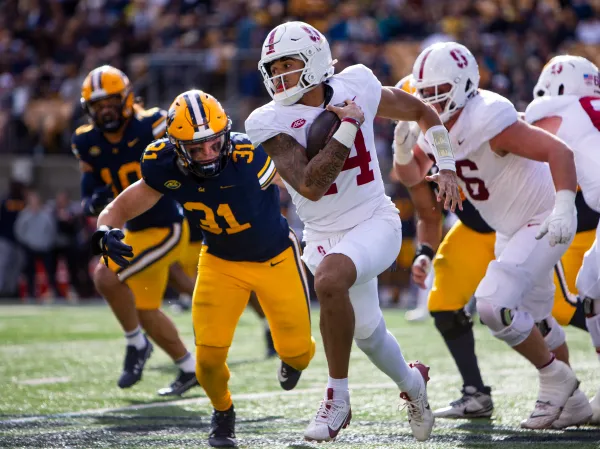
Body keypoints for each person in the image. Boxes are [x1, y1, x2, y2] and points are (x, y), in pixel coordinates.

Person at [245, 21, 462, 443]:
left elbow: (421, 110)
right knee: (367, 333)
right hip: (321, 232)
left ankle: (336, 399)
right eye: (272, 67)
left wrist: (447, 164)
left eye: (287, 65)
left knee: (329, 280)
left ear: (314, 62)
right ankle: (414, 385)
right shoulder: (266, 120)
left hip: (373, 220)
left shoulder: (357, 82)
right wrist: (346, 127)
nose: (277, 76)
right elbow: (311, 184)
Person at [94, 89, 315, 448]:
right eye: (196, 148)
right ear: (177, 147)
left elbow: (303, 185)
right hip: (220, 261)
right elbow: (120, 206)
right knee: (208, 360)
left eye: (214, 144)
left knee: (299, 353)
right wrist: (104, 231)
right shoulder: (162, 163)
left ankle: (291, 358)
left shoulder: (250, 154)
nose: (208, 154)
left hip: (275, 257)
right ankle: (223, 412)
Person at [394, 41, 582, 429]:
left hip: (543, 219)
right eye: (424, 94)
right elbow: (413, 178)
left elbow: (560, 152)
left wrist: (565, 204)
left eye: (437, 93)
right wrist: (401, 150)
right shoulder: (434, 125)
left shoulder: (487, 117)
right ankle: (576, 403)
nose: (429, 102)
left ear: (463, 86)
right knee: (540, 320)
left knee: (493, 306)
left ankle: (555, 378)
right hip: (509, 229)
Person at [72, 65, 198, 396]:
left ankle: (135, 344)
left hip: (166, 226)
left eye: (111, 101)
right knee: (144, 309)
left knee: (105, 276)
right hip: (135, 229)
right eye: (98, 105)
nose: (106, 110)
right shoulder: (86, 140)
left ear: (127, 98)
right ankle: (188, 367)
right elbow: (90, 179)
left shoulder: (152, 124)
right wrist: (91, 199)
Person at [526, 54, 600, 424]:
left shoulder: (554, 107)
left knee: (589, 288)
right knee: (590, 284)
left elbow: (517, 140)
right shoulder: (590, 107)